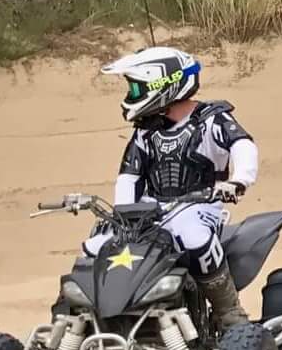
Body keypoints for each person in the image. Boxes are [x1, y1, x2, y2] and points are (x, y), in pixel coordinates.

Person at [88, 46, 261, 326]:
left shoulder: (212, 120)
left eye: (136, 88)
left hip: (200, 206)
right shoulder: (146, 132)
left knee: (194, 237)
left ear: (162, 85)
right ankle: (84, 316)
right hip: (149, 211)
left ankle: (228, 312)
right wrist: (124, 212)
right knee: (95, 245)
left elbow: (242, 145)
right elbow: (129, 176)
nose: (131, 95)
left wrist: (239, 180)